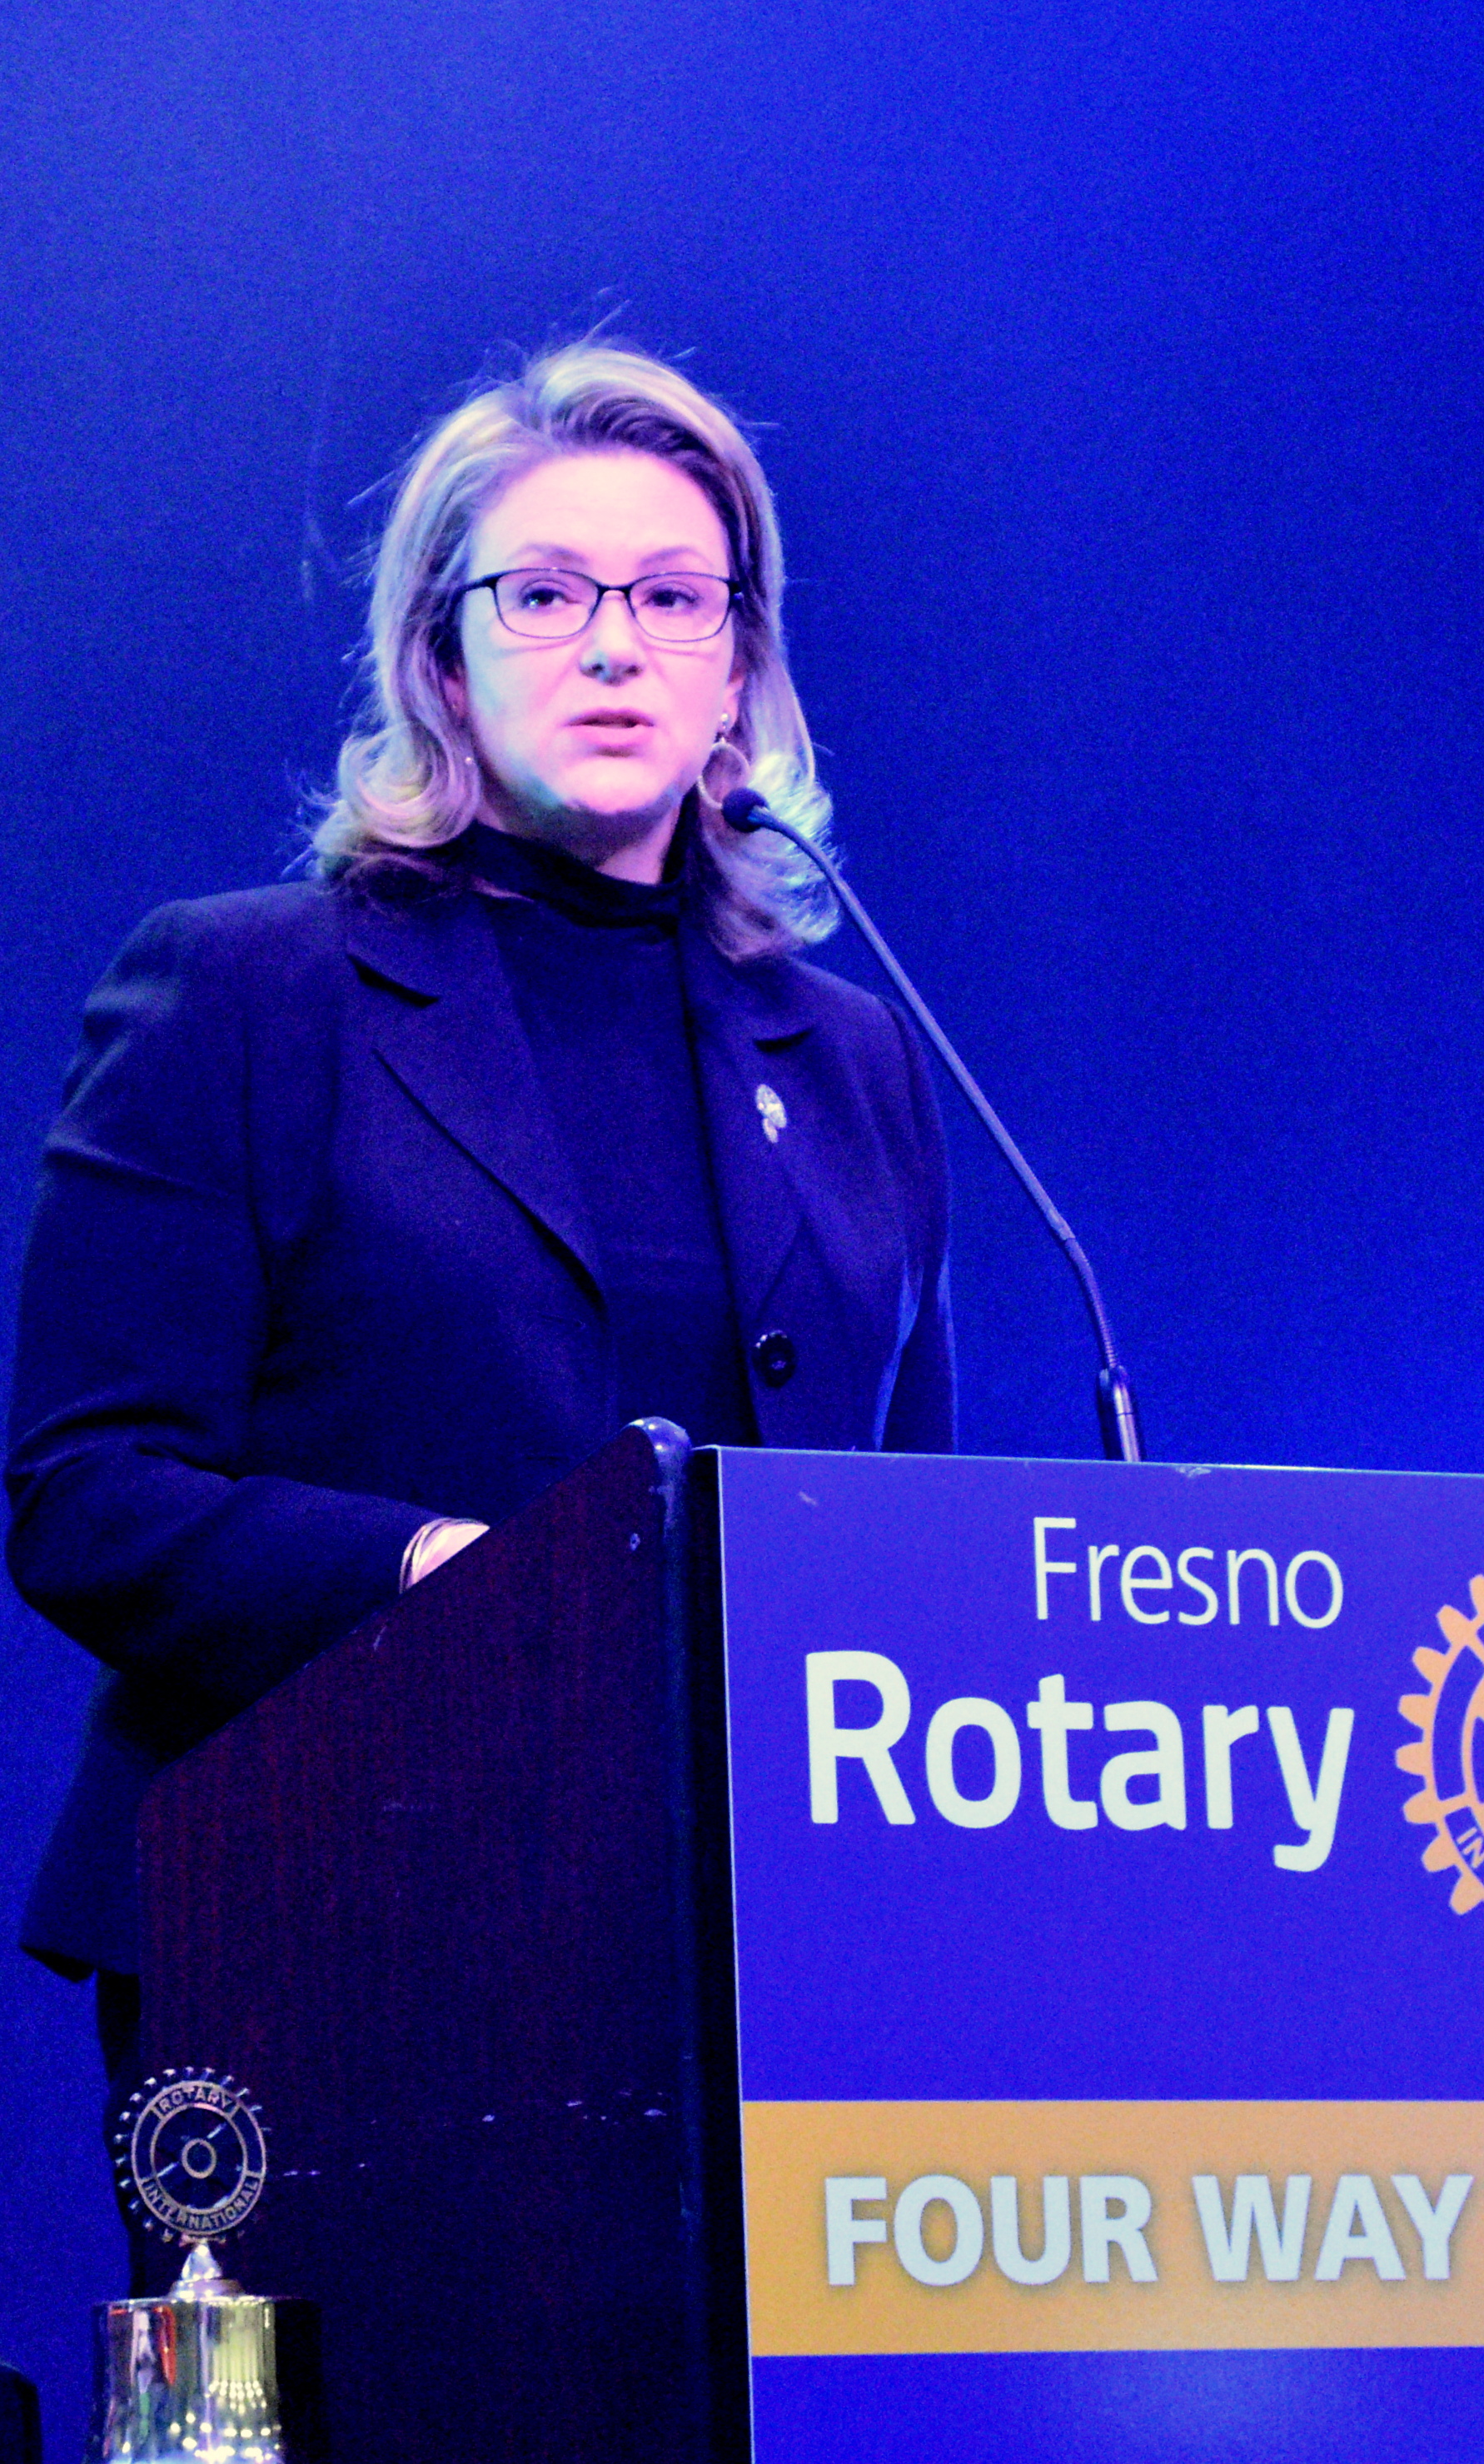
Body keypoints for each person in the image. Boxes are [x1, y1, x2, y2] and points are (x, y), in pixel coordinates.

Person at [6, 342, 954, 2092]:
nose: (614, 645)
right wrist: (438, 1578)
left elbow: (911, 1537)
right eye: (545, 594)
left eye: (673, 596)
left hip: (758, 1956)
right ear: (440, 658)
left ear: (737, 661)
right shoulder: (248, 994)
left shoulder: (856, 1057)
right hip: (328, 1919)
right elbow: (88, 1495)